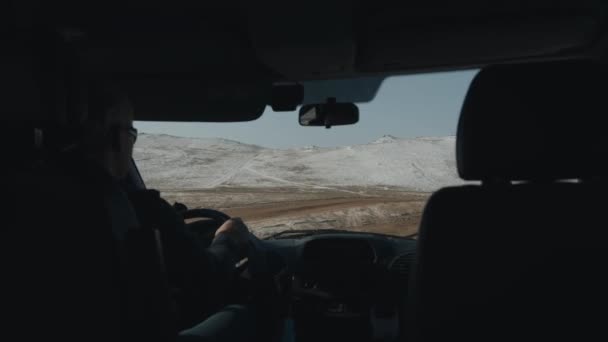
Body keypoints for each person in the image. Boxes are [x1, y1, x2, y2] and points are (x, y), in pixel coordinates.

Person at [13, 80, 258, 342]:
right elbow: (208, 280)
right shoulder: (134, 208)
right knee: (241, 316)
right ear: (116, 138)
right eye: (132, 134)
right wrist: (227, 239)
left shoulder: (17, 197)